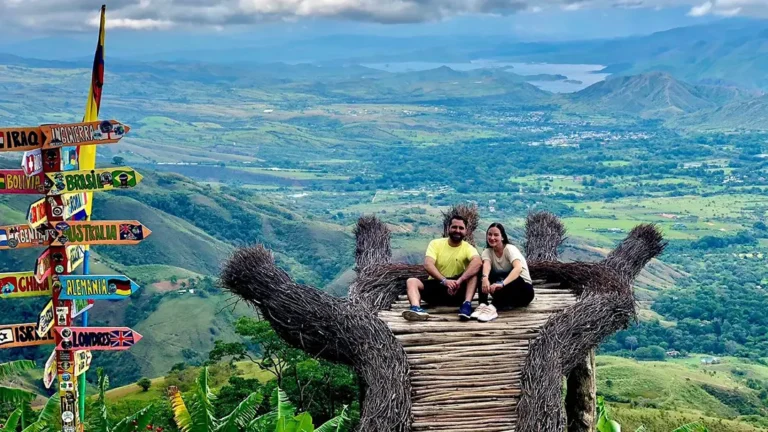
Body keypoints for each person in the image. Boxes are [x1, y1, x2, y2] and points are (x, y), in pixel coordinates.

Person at [402, 215, 482, 321]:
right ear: (448, 228)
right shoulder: (436, 244)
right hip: (437, 286)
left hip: (457, 290)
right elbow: (428, 264)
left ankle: (466, 305)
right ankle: (416, 309)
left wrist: (459, 281)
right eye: (454, 227)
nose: (457, 230)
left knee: (474, 274)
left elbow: (477, 262)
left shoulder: (468, 248)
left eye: (461, 228)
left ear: (466, 231)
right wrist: (445, 281)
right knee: (411, 281)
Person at [472, 222, 535, 322]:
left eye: (496, 235)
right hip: (502, 291)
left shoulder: (510, 249)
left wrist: (502, 284)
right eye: (490, 234)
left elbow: (518, 268)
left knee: (514, 277)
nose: (492, 237)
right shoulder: (487, 252)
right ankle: (483, 304)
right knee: (482, 270)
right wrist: (485, 278)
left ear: (502, 237)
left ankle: (493, 308)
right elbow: (487, 266)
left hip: (523, 291)